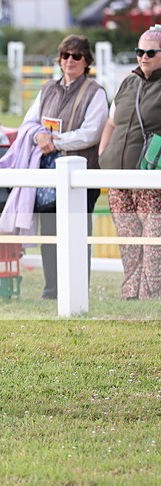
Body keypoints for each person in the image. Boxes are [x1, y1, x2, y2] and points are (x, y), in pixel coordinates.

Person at [24, 34, 108, 300]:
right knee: (50, 234)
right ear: (59, 60)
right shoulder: (47, 88)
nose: (70, 60)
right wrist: (39, 136)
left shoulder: (96, 92)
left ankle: (77, 290)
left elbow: (91, 133)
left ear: (86, 61)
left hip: (82, 176)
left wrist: (55, 141)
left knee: (77, 234)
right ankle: (51, 289)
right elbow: (29, 122)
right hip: (47, 174)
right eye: (65, 55)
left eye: (76, 56)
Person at [99, 25, 161, 299]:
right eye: (140, 51)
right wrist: (104, 154)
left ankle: (151, 294)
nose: (143, 56)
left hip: (150, 178)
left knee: (153, 240)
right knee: (128, 238)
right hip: (118, 176)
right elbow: (111, 123)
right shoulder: (128, 83)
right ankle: (131, 292)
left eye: (151, 52)